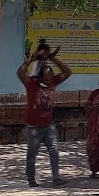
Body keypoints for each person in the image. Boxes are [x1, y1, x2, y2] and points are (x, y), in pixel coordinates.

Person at [17, 40, 70, 186]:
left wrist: (53, 58)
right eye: (46, 80)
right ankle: (31, 179)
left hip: (48, 124)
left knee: (54, 150)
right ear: (40, 77)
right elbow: (20, 72)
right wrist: (31, 58)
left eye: (50, 79)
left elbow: (67, 71)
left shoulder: (53, 82)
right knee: (32, 154)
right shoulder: (31, 84)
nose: (48, 82)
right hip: (34, 126)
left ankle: (56, 177)